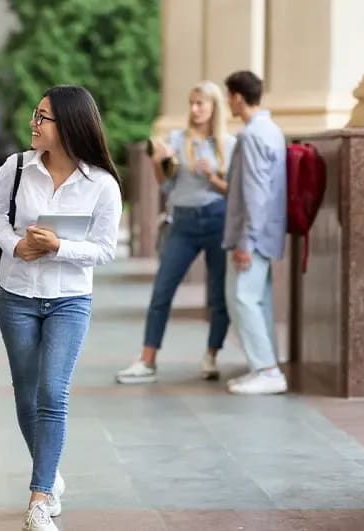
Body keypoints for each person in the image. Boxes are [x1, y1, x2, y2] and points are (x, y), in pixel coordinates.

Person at [0, 86, 122, 531]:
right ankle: (51, 470)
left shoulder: (101, 184)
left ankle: (39, 498)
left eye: (42, 117)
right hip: (17, 295)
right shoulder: (17, 167)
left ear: (68, 125)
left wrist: (59, 247)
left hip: (70, 300)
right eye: (35, 115)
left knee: (52, 393)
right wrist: (15, 246)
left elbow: (105, 250)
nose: (33, 123)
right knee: (26, 395)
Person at [116, 81, 236, 384]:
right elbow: (166, 186)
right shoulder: (176, 140)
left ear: (214, 108)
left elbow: (234, 192)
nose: (194, 110)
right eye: (192, 103)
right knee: (162, 290)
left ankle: (211, 355)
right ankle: (147, 359)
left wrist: (212, 176)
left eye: (201, 104)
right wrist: (159, 163)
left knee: (219, 294)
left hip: (217, 219)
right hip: (182, 222)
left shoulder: (228, 144)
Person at [222, 70, 288, 395]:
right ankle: (264, 366)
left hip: (253, 235)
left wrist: (245, 241)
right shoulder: (271, 130)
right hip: (267, 232)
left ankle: (267, 370)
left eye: (228, 96)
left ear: (236, 96)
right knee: (257, 300)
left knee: (243, 299)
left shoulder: (251, 136)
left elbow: (255, 193)